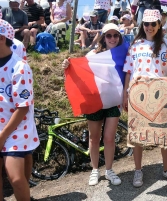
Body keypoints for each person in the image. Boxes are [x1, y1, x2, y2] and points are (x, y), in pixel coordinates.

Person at [62, 23, 125, 186]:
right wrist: (68, 67)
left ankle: (109, 170)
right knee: (94, 138)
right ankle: (95, 170)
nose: (112, 38)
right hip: (95, 101)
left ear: (119, 37)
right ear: (103, 37)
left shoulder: (124, 54)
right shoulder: (92, 54)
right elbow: (80, 74)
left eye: (115, 35)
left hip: (113, 103)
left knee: (109, 138)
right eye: (109, 35)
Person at [122, 9, 167, 187]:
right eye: (146, 23)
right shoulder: (135, 45)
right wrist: (125, 93)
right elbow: (129, 72)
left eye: (153, 23)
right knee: (138, 136)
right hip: (138, 96)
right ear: (142, 25)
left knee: (165, 135)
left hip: (162, 95)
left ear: (159, 24)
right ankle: (138, 171)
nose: (149, 27)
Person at [0, 18, 39, 201]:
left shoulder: (19, 66)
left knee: (15, 178)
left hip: (15, 130)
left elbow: (22, 108)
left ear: (1, 38)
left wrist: (1, 138)